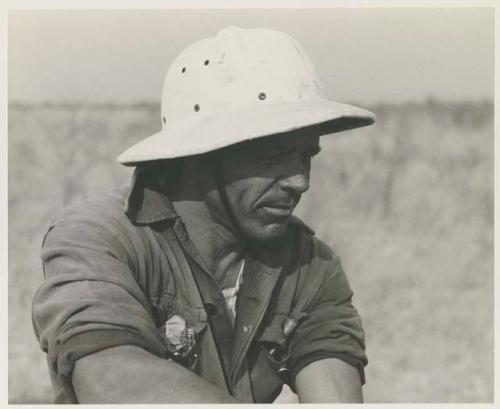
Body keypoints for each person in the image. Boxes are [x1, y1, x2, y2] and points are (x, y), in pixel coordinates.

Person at [32, 26, 375, 403]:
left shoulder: (308, 265)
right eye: (272, 153)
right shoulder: (99, 238)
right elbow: (110, 380)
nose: (299, 181)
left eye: (307, 155)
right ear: (200, 151)